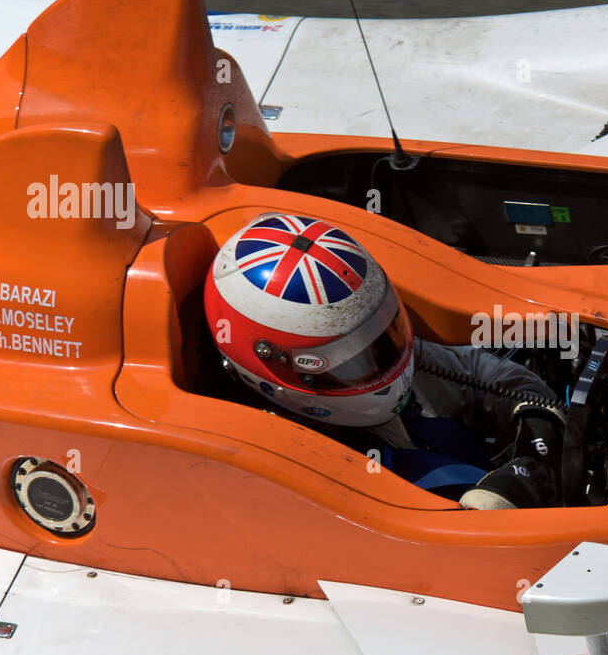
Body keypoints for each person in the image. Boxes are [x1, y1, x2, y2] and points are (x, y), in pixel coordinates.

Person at [203, 212, 565, 509]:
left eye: (380, 335)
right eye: (351, 359)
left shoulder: (387, 353)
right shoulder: (276, 475)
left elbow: (486, 374)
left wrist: (538, 428)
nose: (383, 361)